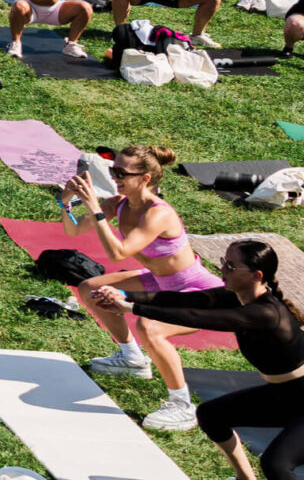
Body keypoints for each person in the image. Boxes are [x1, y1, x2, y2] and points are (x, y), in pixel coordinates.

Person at [91, 236, 304, 448]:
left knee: (276, 465)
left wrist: (131, 309)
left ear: (256, 276)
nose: (223, 270)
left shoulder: (264, 313)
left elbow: (195, 316)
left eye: (230, 266)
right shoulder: (236, 297)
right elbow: (183, 300)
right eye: (223, 262)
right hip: (282, 391)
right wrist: (125, 295)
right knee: (210, 415)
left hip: (298, 392)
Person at [63, 145, 221, 415]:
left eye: (122, 172)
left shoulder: (158, 214)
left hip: (196, 292)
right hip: (159, 282)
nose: (115, 176)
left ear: (145, 178)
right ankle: (131, 358)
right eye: (113, 170)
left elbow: (118, 253)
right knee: (91, 288)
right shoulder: (119, 204)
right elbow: (74, 230)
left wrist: (95, 208)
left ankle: (182, 405)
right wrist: (65, 201)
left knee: (150, 328)